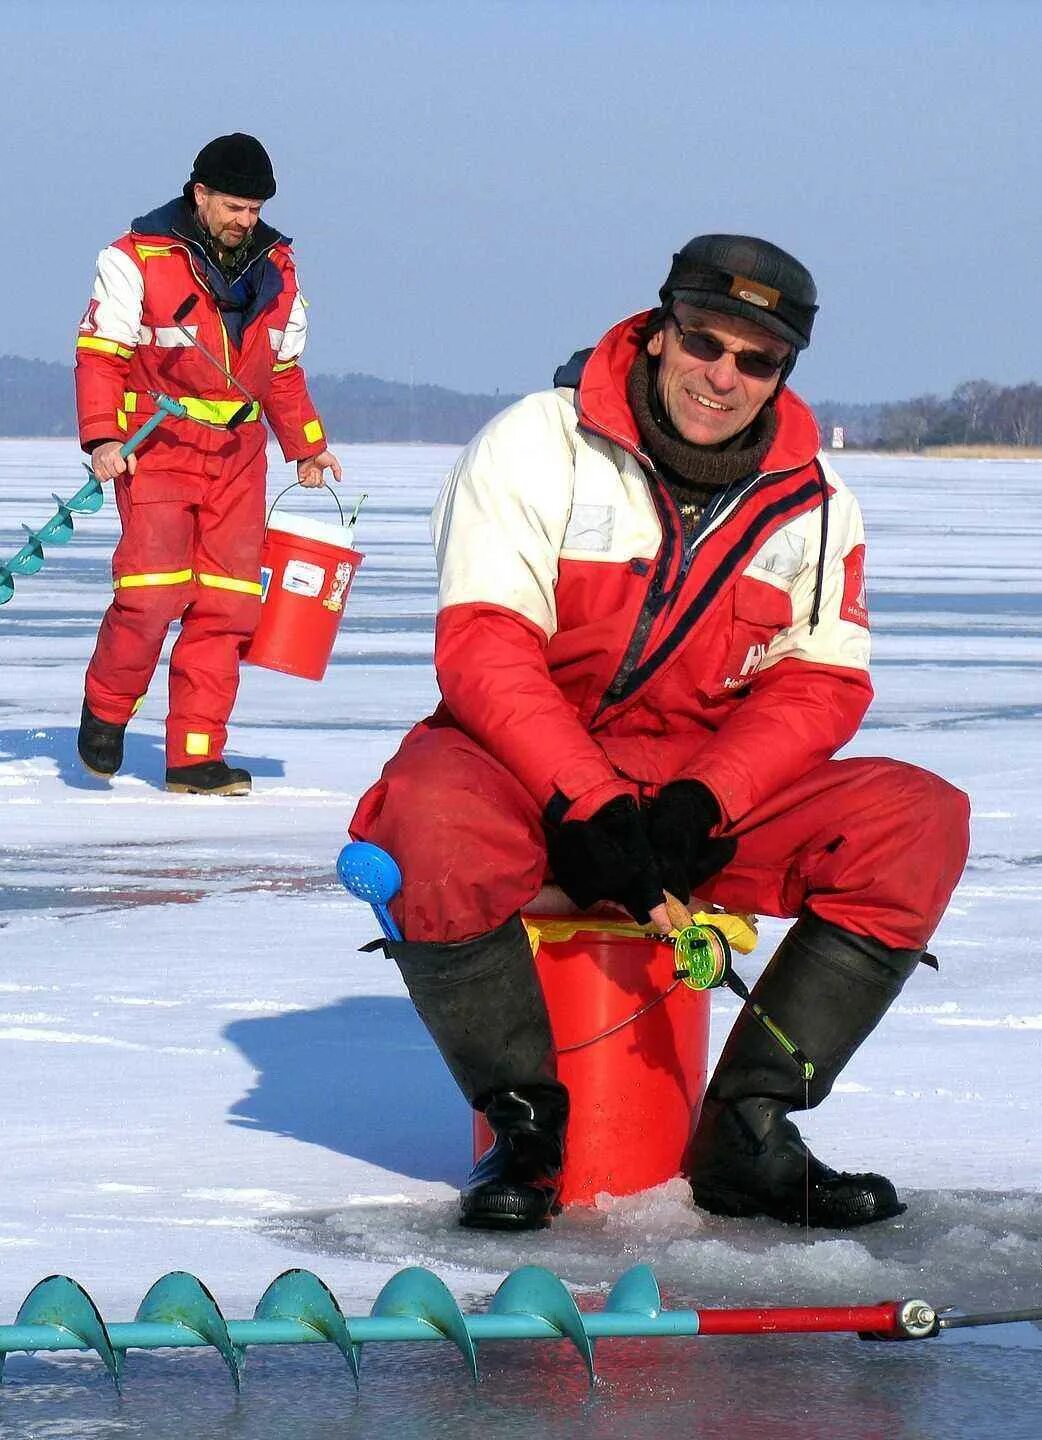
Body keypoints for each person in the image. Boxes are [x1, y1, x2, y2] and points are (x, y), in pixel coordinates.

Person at [349, 235, 970, 1231]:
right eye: (703, 343)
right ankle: (524, 1127)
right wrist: (586, 802)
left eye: (756, 360)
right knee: (426, 820)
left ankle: (747, 1131)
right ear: (657, 332)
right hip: (517, 765)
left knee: (915, 822)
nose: (722, 375)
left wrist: (704, 801)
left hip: (693, 790)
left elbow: (820, 686)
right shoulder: (535, 444)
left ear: (783, 374)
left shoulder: (815, 505)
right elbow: (486, 652)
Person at [73, 133, 342, 795]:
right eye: (233, 207)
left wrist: (306, 445)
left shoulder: (279, 267)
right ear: (200, 194)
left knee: (228, 609)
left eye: (253, 210)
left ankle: (194, 755)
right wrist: (102, 438)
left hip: (238, 457)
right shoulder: (133, 258)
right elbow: (101, 357)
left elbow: (280, 369)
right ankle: (107, 708)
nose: (244, 221)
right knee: (153, 594)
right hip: (158, 449)